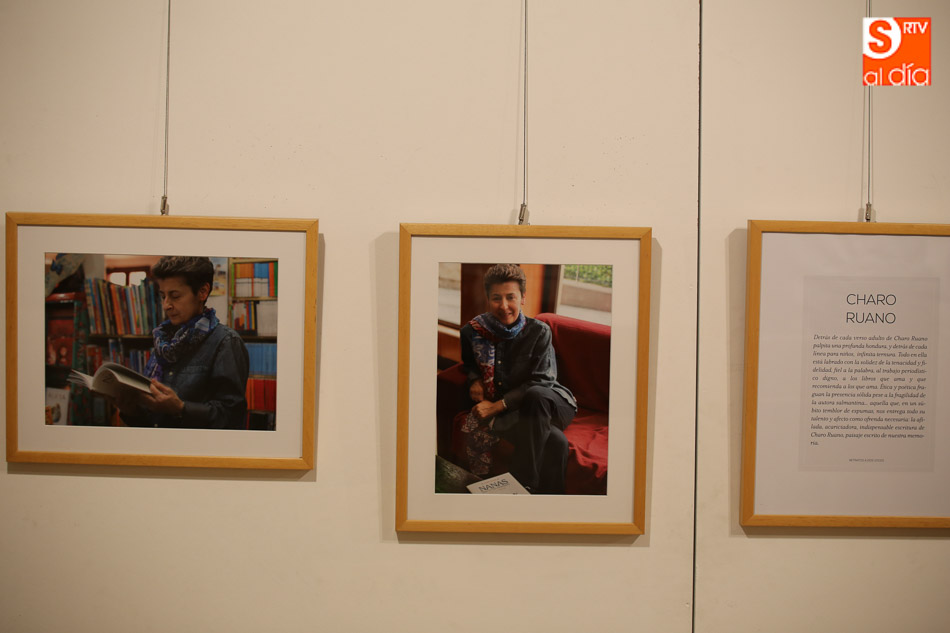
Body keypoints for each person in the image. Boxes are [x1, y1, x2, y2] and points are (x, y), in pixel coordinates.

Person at [458, 264, 576, 493]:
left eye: (510, 297)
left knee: (536, 394)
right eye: (496, 298)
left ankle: (522, 482)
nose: (504, 306)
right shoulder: (471, 332)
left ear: (522, 298)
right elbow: (469, 363)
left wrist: (497, 406)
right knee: (557, 442)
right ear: (488, 299)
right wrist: (474, 379)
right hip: (521, 412)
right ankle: (553, 503)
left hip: (552, 403)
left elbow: (543, 381)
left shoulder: (539, 331)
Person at [118, 256, 249, 429]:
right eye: (163, 296)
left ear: (202, 292)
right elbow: (153, 421)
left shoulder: (226, 342)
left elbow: (232, 417)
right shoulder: (163, 340)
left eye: (175, 296)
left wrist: (180, 409)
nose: (166, 305)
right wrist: (130, 411)